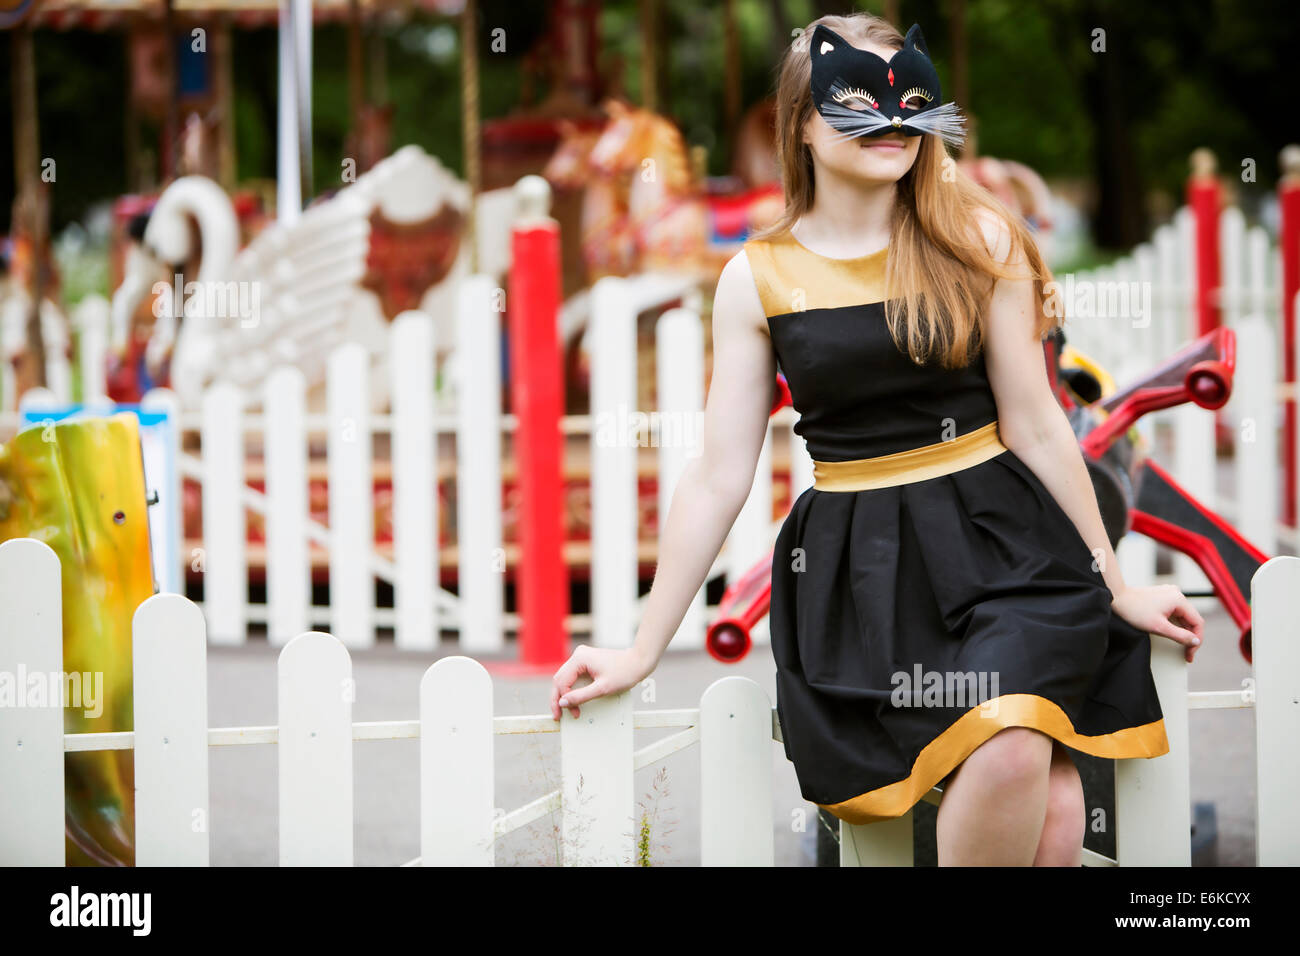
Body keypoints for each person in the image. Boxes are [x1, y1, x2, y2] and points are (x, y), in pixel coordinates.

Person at [548, 11, 1203, 866]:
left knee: (1011, 739)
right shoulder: (758, 279)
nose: (893, 119)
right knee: (1047, 808)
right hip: (864, 569)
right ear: (805, 124)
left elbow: (1039, 425)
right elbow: (718, 476)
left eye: (911, 98)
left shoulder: (980, 239)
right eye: (859, 98)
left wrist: (1113, 583)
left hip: (1011, 553)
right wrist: (643, 646)